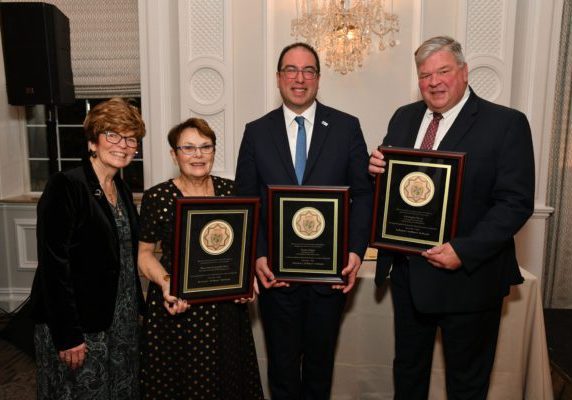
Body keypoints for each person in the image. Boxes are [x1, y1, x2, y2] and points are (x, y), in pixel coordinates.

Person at [369, 36, 535, 399]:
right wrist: (376, 170)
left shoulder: (505, 123)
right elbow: (398, 189)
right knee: (408, 375)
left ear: (463, 71)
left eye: (443, 71)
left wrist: (464, 249)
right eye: (425, 75)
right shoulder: (404, 117)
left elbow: (515, 202)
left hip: (469, 279)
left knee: (467, 384)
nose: (433, 82)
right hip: (410, 276)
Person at [235, 42, 373, 399]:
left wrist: (356, 251)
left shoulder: (346, 127)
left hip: (329, 277)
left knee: (319, 370)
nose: (300, 78)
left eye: (308, 70)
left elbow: (364, 194)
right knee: (281, 370)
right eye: (291, 70)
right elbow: (245, 202)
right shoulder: (256, 131)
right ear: (279, 78)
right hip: (275, 277)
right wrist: (258, 256)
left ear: (318, 78)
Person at [137, 117, 264, 400]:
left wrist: (246, 280)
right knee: (181, 384)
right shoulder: (157, 197)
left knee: (228, 381)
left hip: (225, 308)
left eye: (205, 147)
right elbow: (144, 256)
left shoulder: (232, 191)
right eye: (189, 148)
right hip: (177, 305)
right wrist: (168, 284)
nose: (198, 155)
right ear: (174, 154)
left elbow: (245, 247)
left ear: (214, 151)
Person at [29, 98, 147, 399]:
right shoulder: (65, 186)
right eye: (113, 135)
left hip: (119, 320)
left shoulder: (120, 187)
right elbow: (54, 267)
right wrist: (68, 335)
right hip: (79, 325)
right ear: (93, 141)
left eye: (131, 138)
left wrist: (137, 310)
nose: (123, 144)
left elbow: (124, 256)